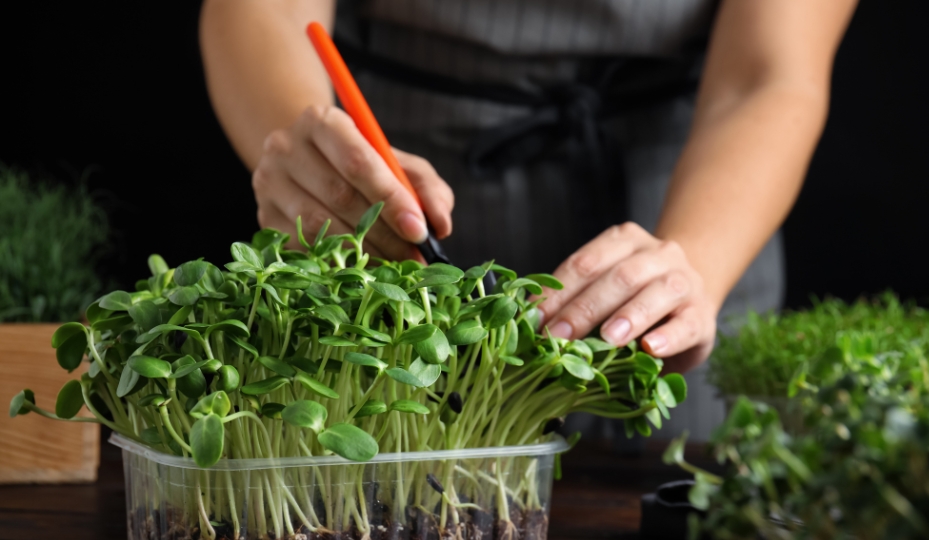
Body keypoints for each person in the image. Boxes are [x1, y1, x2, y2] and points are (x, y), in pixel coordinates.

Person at [199, 0, 857, 440]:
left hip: (693, 203)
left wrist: (696, 265)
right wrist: (303, 149)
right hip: (398, 198)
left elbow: (767, 75)